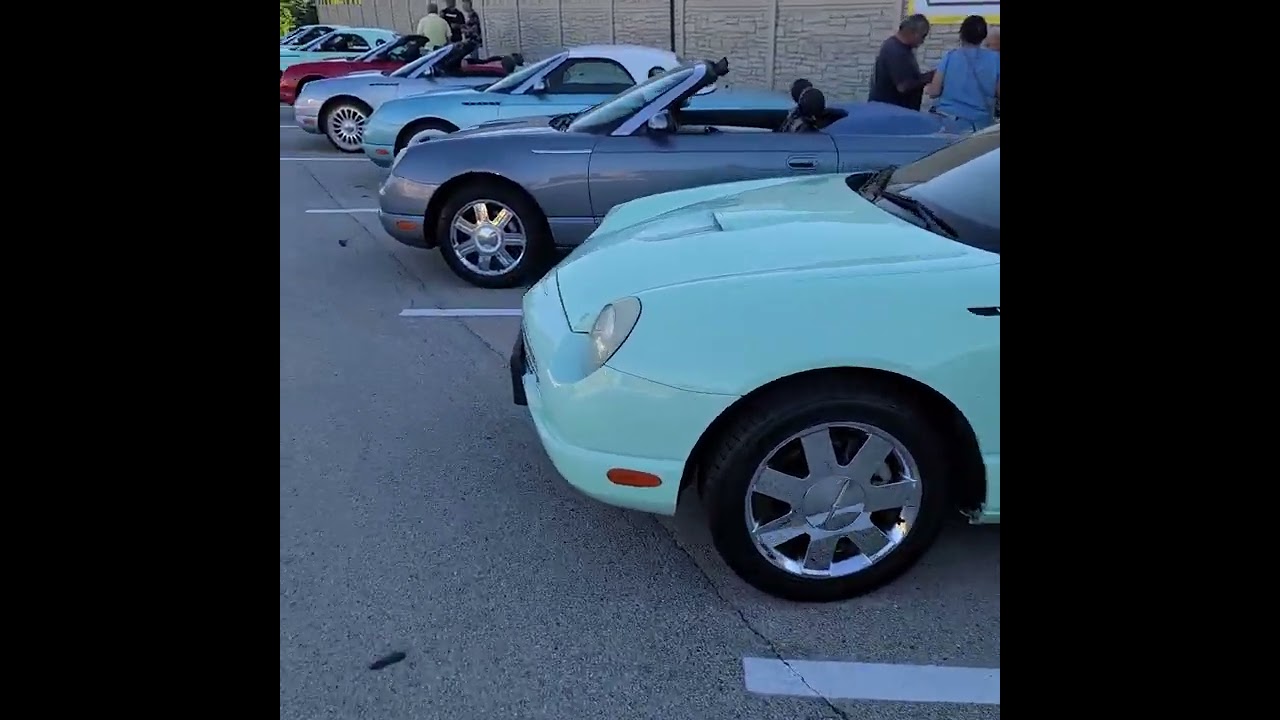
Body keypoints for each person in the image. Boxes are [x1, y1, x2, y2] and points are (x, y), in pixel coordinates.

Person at [924, 15, 1000, 130]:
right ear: (983, 37)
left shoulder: (950, 56)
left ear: (962, 34)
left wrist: (927, 88)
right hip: (978, 125)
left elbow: (934, 91)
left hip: (948, 120)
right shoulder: (995, 59)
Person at [868, 14, 934, 110]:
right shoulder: (895, 50)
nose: (922, 41)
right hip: (889, 114)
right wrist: (929, 77)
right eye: (922, 36)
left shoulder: (901, 48)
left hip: (893, 112)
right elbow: (903, 86)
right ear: (911, 32)